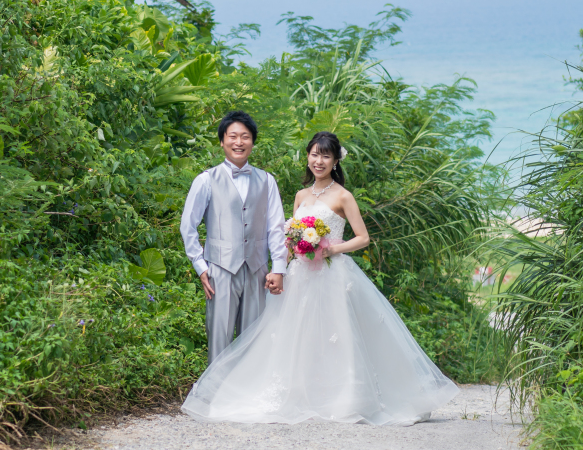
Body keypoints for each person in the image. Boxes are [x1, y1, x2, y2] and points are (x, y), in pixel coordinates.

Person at [181, 131, 459, 426]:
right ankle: (301, 394)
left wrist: (331, 249)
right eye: (314, 154)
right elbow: (289, 237)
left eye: (326, 156)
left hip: (332, 274)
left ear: (336, 160)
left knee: (336, 335)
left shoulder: (343, 195)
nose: (319, 160)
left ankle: (344, 397)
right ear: (308, 157)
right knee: (296, 338)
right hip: (301, 275)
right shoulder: (301, 196)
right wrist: (283, 266)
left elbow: (363, 238)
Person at [180, 111, 288, 365]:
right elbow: (188, 226)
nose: (239, 142)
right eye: (233, 136)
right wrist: (200, 266)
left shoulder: (267, 181)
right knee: (219, 336)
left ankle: (248, 398)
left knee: (255, 339)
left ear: (252, 142)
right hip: (219, 269)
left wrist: (279, 268)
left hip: (258, 270)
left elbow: (276, 227)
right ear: (222, 141)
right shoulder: (206, 180)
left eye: (245, 137)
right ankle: (214, 399)